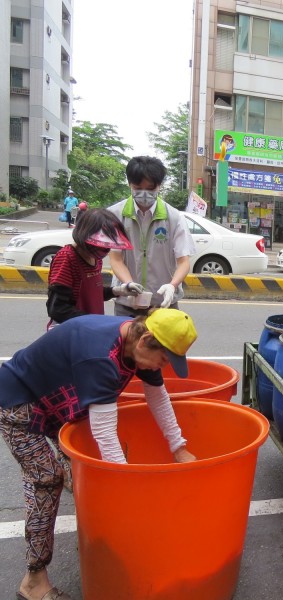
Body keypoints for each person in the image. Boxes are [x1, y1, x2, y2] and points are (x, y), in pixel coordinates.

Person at [0, 308, 198, 600]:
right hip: (19, 404)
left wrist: (179, 448)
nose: (164, 367)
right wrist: (127, 489)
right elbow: (105, 434)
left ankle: (98, 538)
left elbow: (157, 396)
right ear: (146, 340)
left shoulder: (134, 341)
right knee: (48, 480)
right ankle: (34, 580)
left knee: (82, 468)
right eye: (164, 359)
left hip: (60, 403)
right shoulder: (101, 356)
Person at [108, 156, 196, 317]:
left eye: (150, 188)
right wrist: (128, 284)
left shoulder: (174, 217)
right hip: (127, 304)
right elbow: (116, 258)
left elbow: (183, 261)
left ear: (159, 186)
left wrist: (172, 286)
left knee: (165, 343)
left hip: (163, 304)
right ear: (129, 184)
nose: (144, 194)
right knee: (125, 342)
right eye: (138, 187)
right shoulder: (116, 215)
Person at [46, 208, 145, 330]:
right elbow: (58, 309)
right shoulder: (67, 258)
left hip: (89, 327)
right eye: (102, 245)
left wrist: (118, 291)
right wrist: (97, 322)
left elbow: (93, 292)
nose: (106, 250)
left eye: (108, 246)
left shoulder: (95, 258)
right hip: (71, 330)